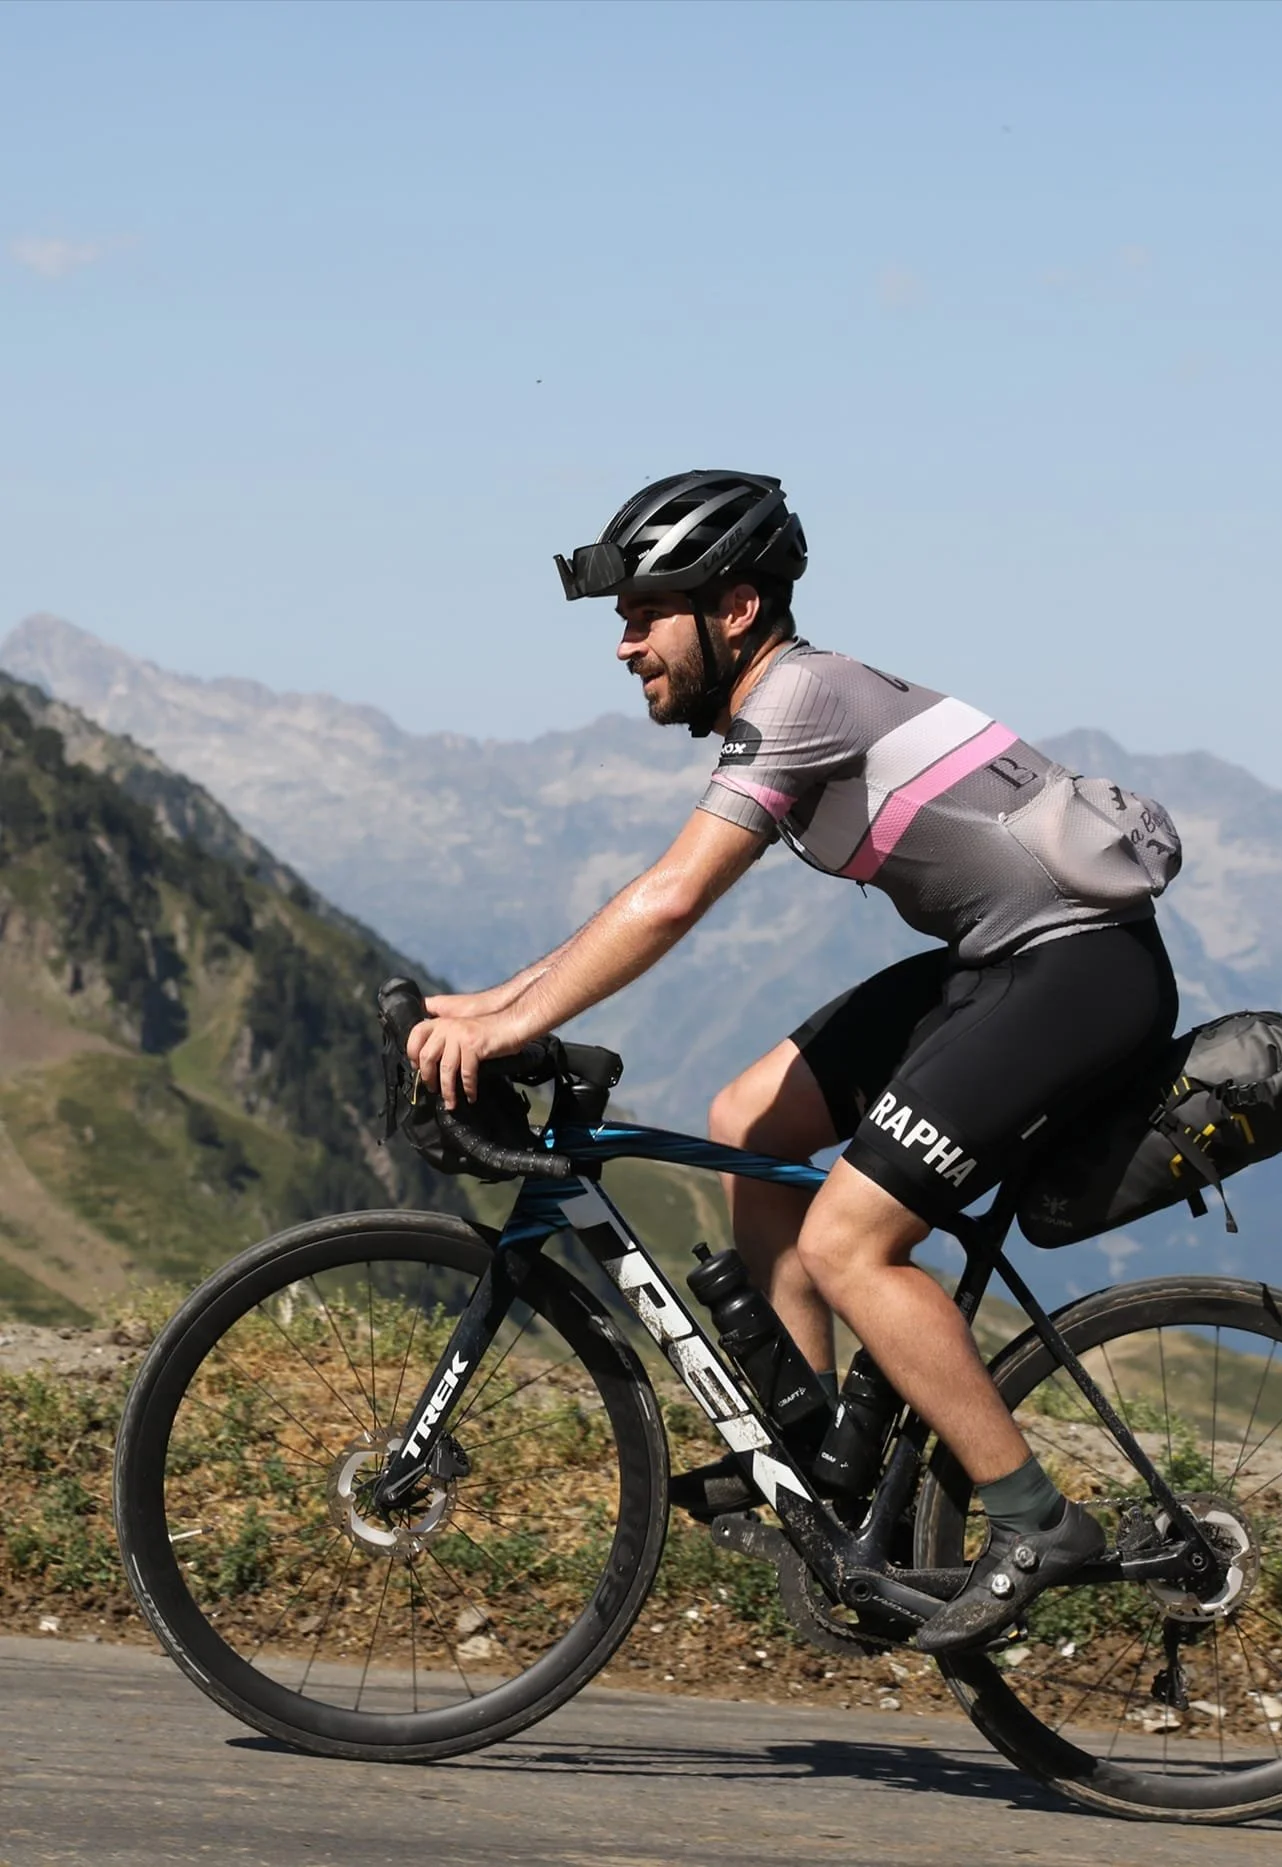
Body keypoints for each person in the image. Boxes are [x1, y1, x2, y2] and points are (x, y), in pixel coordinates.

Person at [407, 470, 1182, 1654]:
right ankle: (820, 1461)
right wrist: (486, 1004)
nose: (623, 647)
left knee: (848, 1240)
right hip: (1000, 962)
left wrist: (507, 1026)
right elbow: (647, 903)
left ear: (732, 610)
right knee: (747, 1120)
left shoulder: (805, 696)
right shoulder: (796, 698)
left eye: (642, 615)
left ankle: (1038, 1521)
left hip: (1079, 974)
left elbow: (668, 901)